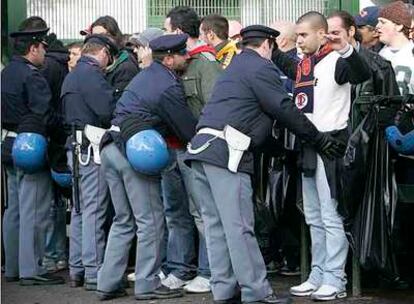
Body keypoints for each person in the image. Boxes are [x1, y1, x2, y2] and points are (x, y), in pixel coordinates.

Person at [184, 24, 351, 304]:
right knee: (239, 227)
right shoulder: (260, 68)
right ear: (266, 46)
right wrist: (319, 139)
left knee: (216, 228)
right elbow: (284, 109)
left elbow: (247, 116)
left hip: (201, 153)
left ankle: (224, 290)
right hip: (226, 154)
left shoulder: (235, 68)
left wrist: (279, 151)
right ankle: (256, 292)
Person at [272, 11, 371, 300]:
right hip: (308, 144)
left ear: (320, 33)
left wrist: (346, 49)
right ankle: (317, 273)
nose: (298, 40)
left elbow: (362, 73)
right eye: (297, 35)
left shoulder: (337, 61)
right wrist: (270, 42)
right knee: (313, 216)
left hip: (332, 144)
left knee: (331, 216)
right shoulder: (305, 64)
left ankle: (335, 278)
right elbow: (282, 60)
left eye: (303, 35)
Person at [96, 34, 195, 301]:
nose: (187, 58)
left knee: (123, 220)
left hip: (110, 147)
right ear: (170, 58)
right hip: (136, 151)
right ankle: (147, 284)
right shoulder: (167, 85)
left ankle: (107, 283)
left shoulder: (145, 75)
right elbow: (187, 130)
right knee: (150, 221)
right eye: (183, 54)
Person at [162, 6, 222, 293]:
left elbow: (212, 109)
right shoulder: (174, 63)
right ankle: (179, 268)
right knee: (175, 212)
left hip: (194, 149)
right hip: (172, 148)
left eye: (167, 29)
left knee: (202, 213)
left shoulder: (205, 63)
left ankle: (210, 272)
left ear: (179, 32)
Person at [1, 26, 64, 285]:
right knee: (34, 209)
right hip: (31, 146)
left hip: (6, 143)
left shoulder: (5, 74)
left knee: (13, 208)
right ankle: (32, 268)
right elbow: (45, 115)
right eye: (42, 48)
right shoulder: (32, 76)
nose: (45, 53)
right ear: (33, 48)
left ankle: (13, 266)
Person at [62, 34, 117, 290]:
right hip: (91, 147)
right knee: (94, 209)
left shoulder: (72, 74)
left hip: (75, 146)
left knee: (80, 209)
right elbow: (107, 110)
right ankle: (94, 272)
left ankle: (78, 268)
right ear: (103, 53)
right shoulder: (92, 75)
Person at [18, 16, 71, 274]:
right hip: (42, 143)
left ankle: (29, 264)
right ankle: (43, 261)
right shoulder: (39, 73)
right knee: (43, 205)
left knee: (26, 208)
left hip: (25, 143)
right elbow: (48, 114)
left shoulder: (18, 73)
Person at [90, 15, 140, 99]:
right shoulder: (104, 61)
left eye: (103, 35)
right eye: (94, 36)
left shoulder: (125, 65)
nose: (98, 40)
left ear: (114, 36)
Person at [376, 0, 414, 95]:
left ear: (399, 26)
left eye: (383, 22)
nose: (377, 26)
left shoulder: (411, 54)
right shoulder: (377, 55)